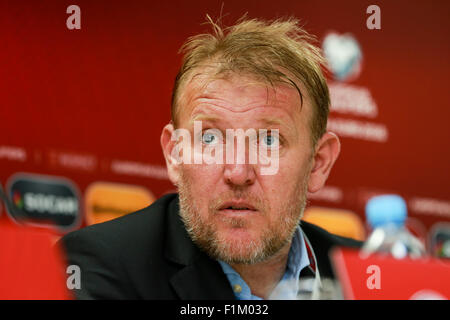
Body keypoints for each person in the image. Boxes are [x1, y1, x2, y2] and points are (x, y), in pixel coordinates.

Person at [59, 15, 361, 300]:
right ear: (174, 154)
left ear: (318, 163)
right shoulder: (97, 267)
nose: (238, 172)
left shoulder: (373, 276)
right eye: (210, 138)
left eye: (268, 140)